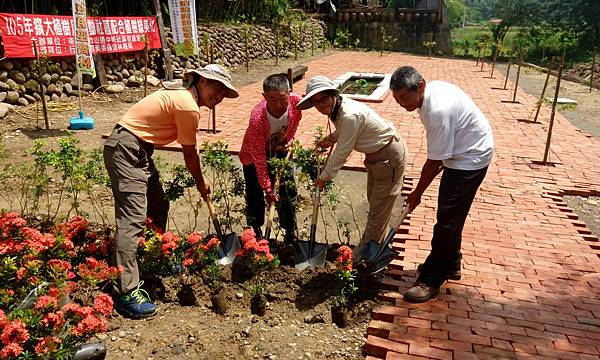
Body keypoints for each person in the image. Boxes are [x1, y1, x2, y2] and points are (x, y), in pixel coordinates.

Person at [103, 64, 239, 318]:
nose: (218, 96)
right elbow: (189, 153)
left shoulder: (187, 102)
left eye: (223, 92)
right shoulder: (187, 104)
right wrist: (199, 179)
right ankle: (125, 290)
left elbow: (192, 147)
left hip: (138, 150)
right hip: (126, 149)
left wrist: (201, 177)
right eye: (216, 88)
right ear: (200, 80)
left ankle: (153, 255)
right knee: (132, 219)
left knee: (158, 205)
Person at [389, 66, 494, 303]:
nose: (401, 103)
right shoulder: (430, 96)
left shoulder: (438, 111)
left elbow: (434, 162)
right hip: (464, 148)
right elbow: (438, 159)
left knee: (447, 221)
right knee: (451, 216)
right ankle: (452, 263)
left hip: (470, 158)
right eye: (396, 99)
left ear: (421, 86)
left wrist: (417, 193)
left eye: (405, 97)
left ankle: (432, 279)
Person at [296, 75, 407, 256]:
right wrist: (330, 138)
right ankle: (375, 249)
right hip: (376, 158)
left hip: (389, 156)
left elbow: (342, 151)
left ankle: (362, 258)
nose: (320, 105)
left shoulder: (349, 115)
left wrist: (324, 177)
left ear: (333, 95)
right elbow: (346, 132)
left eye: (323, 98)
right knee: (376, 204)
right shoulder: (338, 108)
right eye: (315, 102)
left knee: (378, 209)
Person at [239, 74, 301, 242]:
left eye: (282, 99)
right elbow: (259, 160)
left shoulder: (296, 103)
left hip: (280, 150)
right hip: (253, 156)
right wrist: (268, 188)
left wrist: (289, 140)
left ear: (289, 93)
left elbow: (294, 123)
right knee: (254, 193)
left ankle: (290, 232)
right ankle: (256, 231)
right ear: (264, 97)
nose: (278, 105)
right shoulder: (257, 118)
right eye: (272, 100)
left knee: (287, 190)